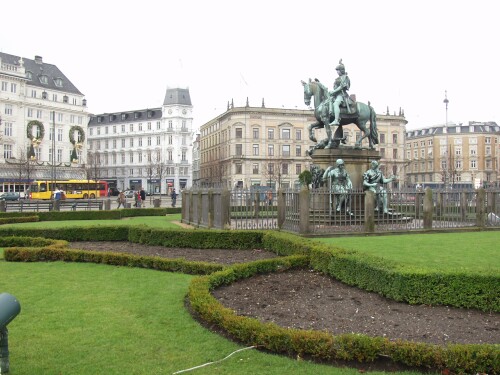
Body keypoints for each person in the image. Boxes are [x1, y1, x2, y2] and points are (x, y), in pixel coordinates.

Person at [328, 59, 351, 126]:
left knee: (335, 104)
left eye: (338, 70)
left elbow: (341, 87)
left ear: (341, 70)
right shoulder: (338, 78)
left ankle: (336, 120)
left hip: (341, 95)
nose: (337, 72)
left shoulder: (345, 77)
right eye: (337, 70)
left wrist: (334, 91)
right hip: (335, 95)